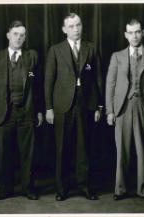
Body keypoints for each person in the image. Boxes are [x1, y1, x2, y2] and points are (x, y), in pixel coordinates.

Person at [45, 13, 103, 201]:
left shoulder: (91, 48)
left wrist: (99, 106)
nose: (76, 29)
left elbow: (97, 79)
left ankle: (84, 186)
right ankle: (62, 189)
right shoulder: (55, 50)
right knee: (62, 148)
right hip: (62, 104)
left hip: (85, 103)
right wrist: (48, 108)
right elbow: (48, 81)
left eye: (78, 25)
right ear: (64, 29)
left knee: (83, 147)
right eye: (71, 26)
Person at [105, 18, 144, 201]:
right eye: (131, 32)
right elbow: (110, 84)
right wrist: (109, 111)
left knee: (142, 149)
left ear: (143, 33)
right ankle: (120, 189)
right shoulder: (117, 56)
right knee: (121, 150)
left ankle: (143, 189)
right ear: (125, 35)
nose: (134, 36)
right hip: (122, 107)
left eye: (137, 31)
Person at [0, 20, 43, 200]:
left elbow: (38, 85)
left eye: (22, 35)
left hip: (27, 112)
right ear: (8, 35)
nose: (18, 38)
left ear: (25, 38)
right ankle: (5, 189)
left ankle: (28, 188)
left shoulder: (32, 56)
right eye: (15, 34)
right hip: (4, 112)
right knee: (5, 153)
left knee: (28, 153)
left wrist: (39, 110)